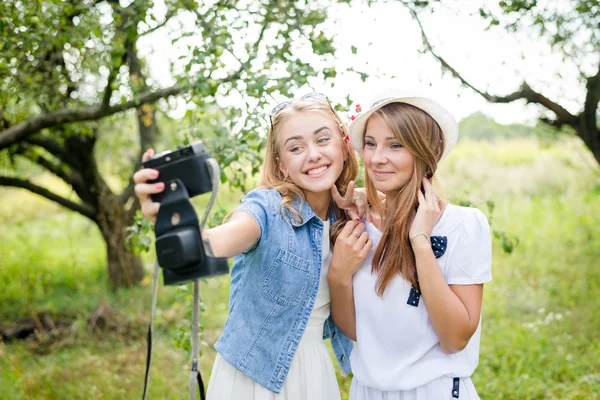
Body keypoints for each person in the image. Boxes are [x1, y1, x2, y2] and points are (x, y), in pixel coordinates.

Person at [133, 93, 373, 400]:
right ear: (281, 165)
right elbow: (219, 240)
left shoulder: (349, 218)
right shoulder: (268, 209)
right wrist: (169, 218)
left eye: (322, 140)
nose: (312, 154)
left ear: (343, 145)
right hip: (253, 377)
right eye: (295, 147)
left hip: (314, 372)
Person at [328, 92, 492, 399]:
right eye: (371, 143)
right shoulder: (357, 226)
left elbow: (454, 339)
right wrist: (338, 275)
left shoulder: (463, 226)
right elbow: (355, 331)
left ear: (430, 150)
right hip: (368, 392)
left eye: (395, 145)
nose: (377, 158)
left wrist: (420, 243)